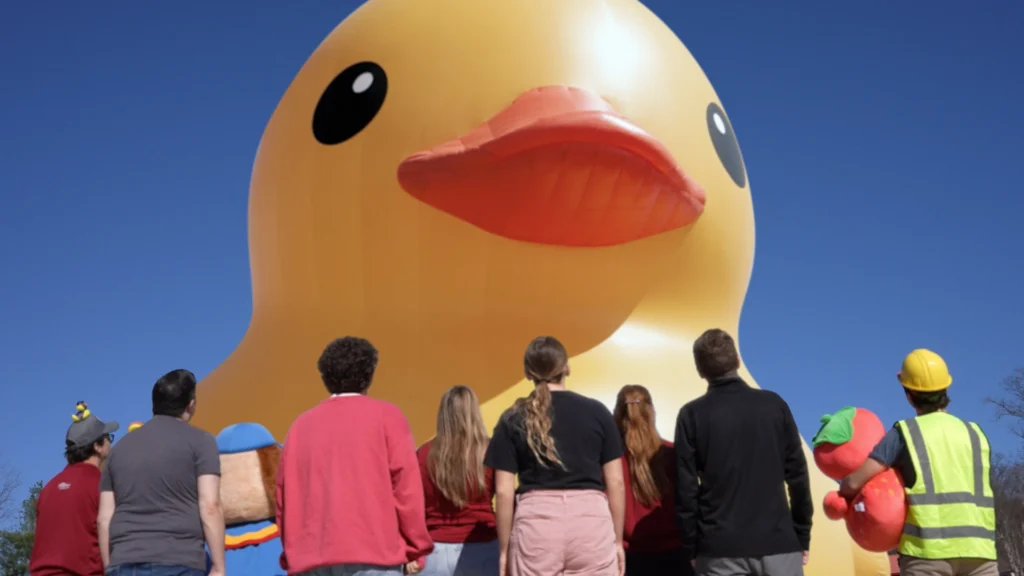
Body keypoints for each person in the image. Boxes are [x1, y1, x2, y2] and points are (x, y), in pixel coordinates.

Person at [276, 336, 433, 576]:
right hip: (374, 556)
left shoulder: (299, 427)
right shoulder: (388, 417)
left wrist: (292, 553)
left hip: (310, 561)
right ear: (369, 375)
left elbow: (283, 499)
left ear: (325, 377)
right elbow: (406, 490)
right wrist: (416, 548)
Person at [839, 349, 998, 576]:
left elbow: (855, 483)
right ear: (946, 388)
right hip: (980, 554)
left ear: (909, 394)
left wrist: (842, 491)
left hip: (927, 555)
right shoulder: (975, 434)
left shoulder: (904, 433)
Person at [484, 336, 626, 576]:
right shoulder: (597, 412)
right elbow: (616, 483)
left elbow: (504, 492)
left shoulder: (512, 418)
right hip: (590, 523)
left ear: (528, 373)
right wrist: (618, 541)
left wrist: (505, 551)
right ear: (566, 368)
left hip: (536, 525)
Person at [675, 328, 812, 576]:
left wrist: (693, 546)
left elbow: (686, 491)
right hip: (779, 544)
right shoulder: (774, 406)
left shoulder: (691, 415)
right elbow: (798, 477)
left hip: (718, 550)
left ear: (700, 371)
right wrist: (801, 534)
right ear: (737, 360)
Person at [98, 369, 225, 576]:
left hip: (124, 562)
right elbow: (210, 506)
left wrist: (109, 568)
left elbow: (104, 518)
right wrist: (219, 567)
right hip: (180, 560)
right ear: (191, 404)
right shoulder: (201, 441)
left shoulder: (118, 450)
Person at [416, 386, 499, 576]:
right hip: (483, 547)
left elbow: (414, 506)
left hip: (435, 551)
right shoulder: (491, 450)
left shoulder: (423, 454)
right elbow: (504, 498)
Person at [29, 402, 118, 576]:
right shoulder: (102, 484)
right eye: (108, 438)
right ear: (97, 446)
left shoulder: (49, 488)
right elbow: (111, 533)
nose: (110, 444)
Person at [612, 385, 690, 576]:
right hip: (676, 555)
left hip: (628, 557)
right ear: (651, 412)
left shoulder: (609, 462)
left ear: (617, 415)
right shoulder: (673, 453)